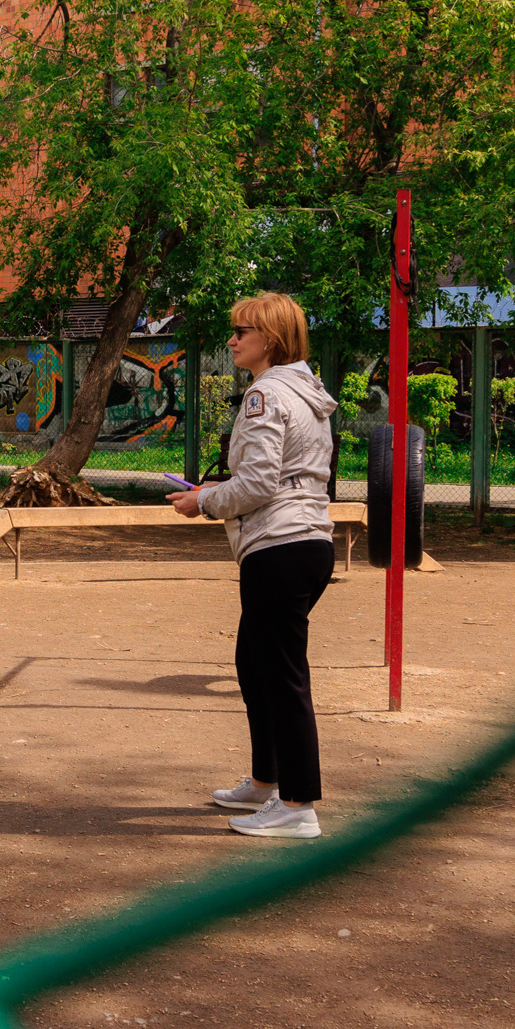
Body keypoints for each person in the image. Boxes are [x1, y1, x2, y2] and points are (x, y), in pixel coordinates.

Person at [169, 292, 337, 838]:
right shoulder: (306, 392)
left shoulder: (266, 393)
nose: (232, 339)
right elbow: (282, 473)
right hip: (304, 543)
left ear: (271, 339)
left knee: (283, 674)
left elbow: (263, 482)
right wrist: (222, 488)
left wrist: (205, 501)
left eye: (242, 330)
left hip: (280, 546)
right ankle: (266, 782)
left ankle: (298, 804)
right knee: (254, 661)